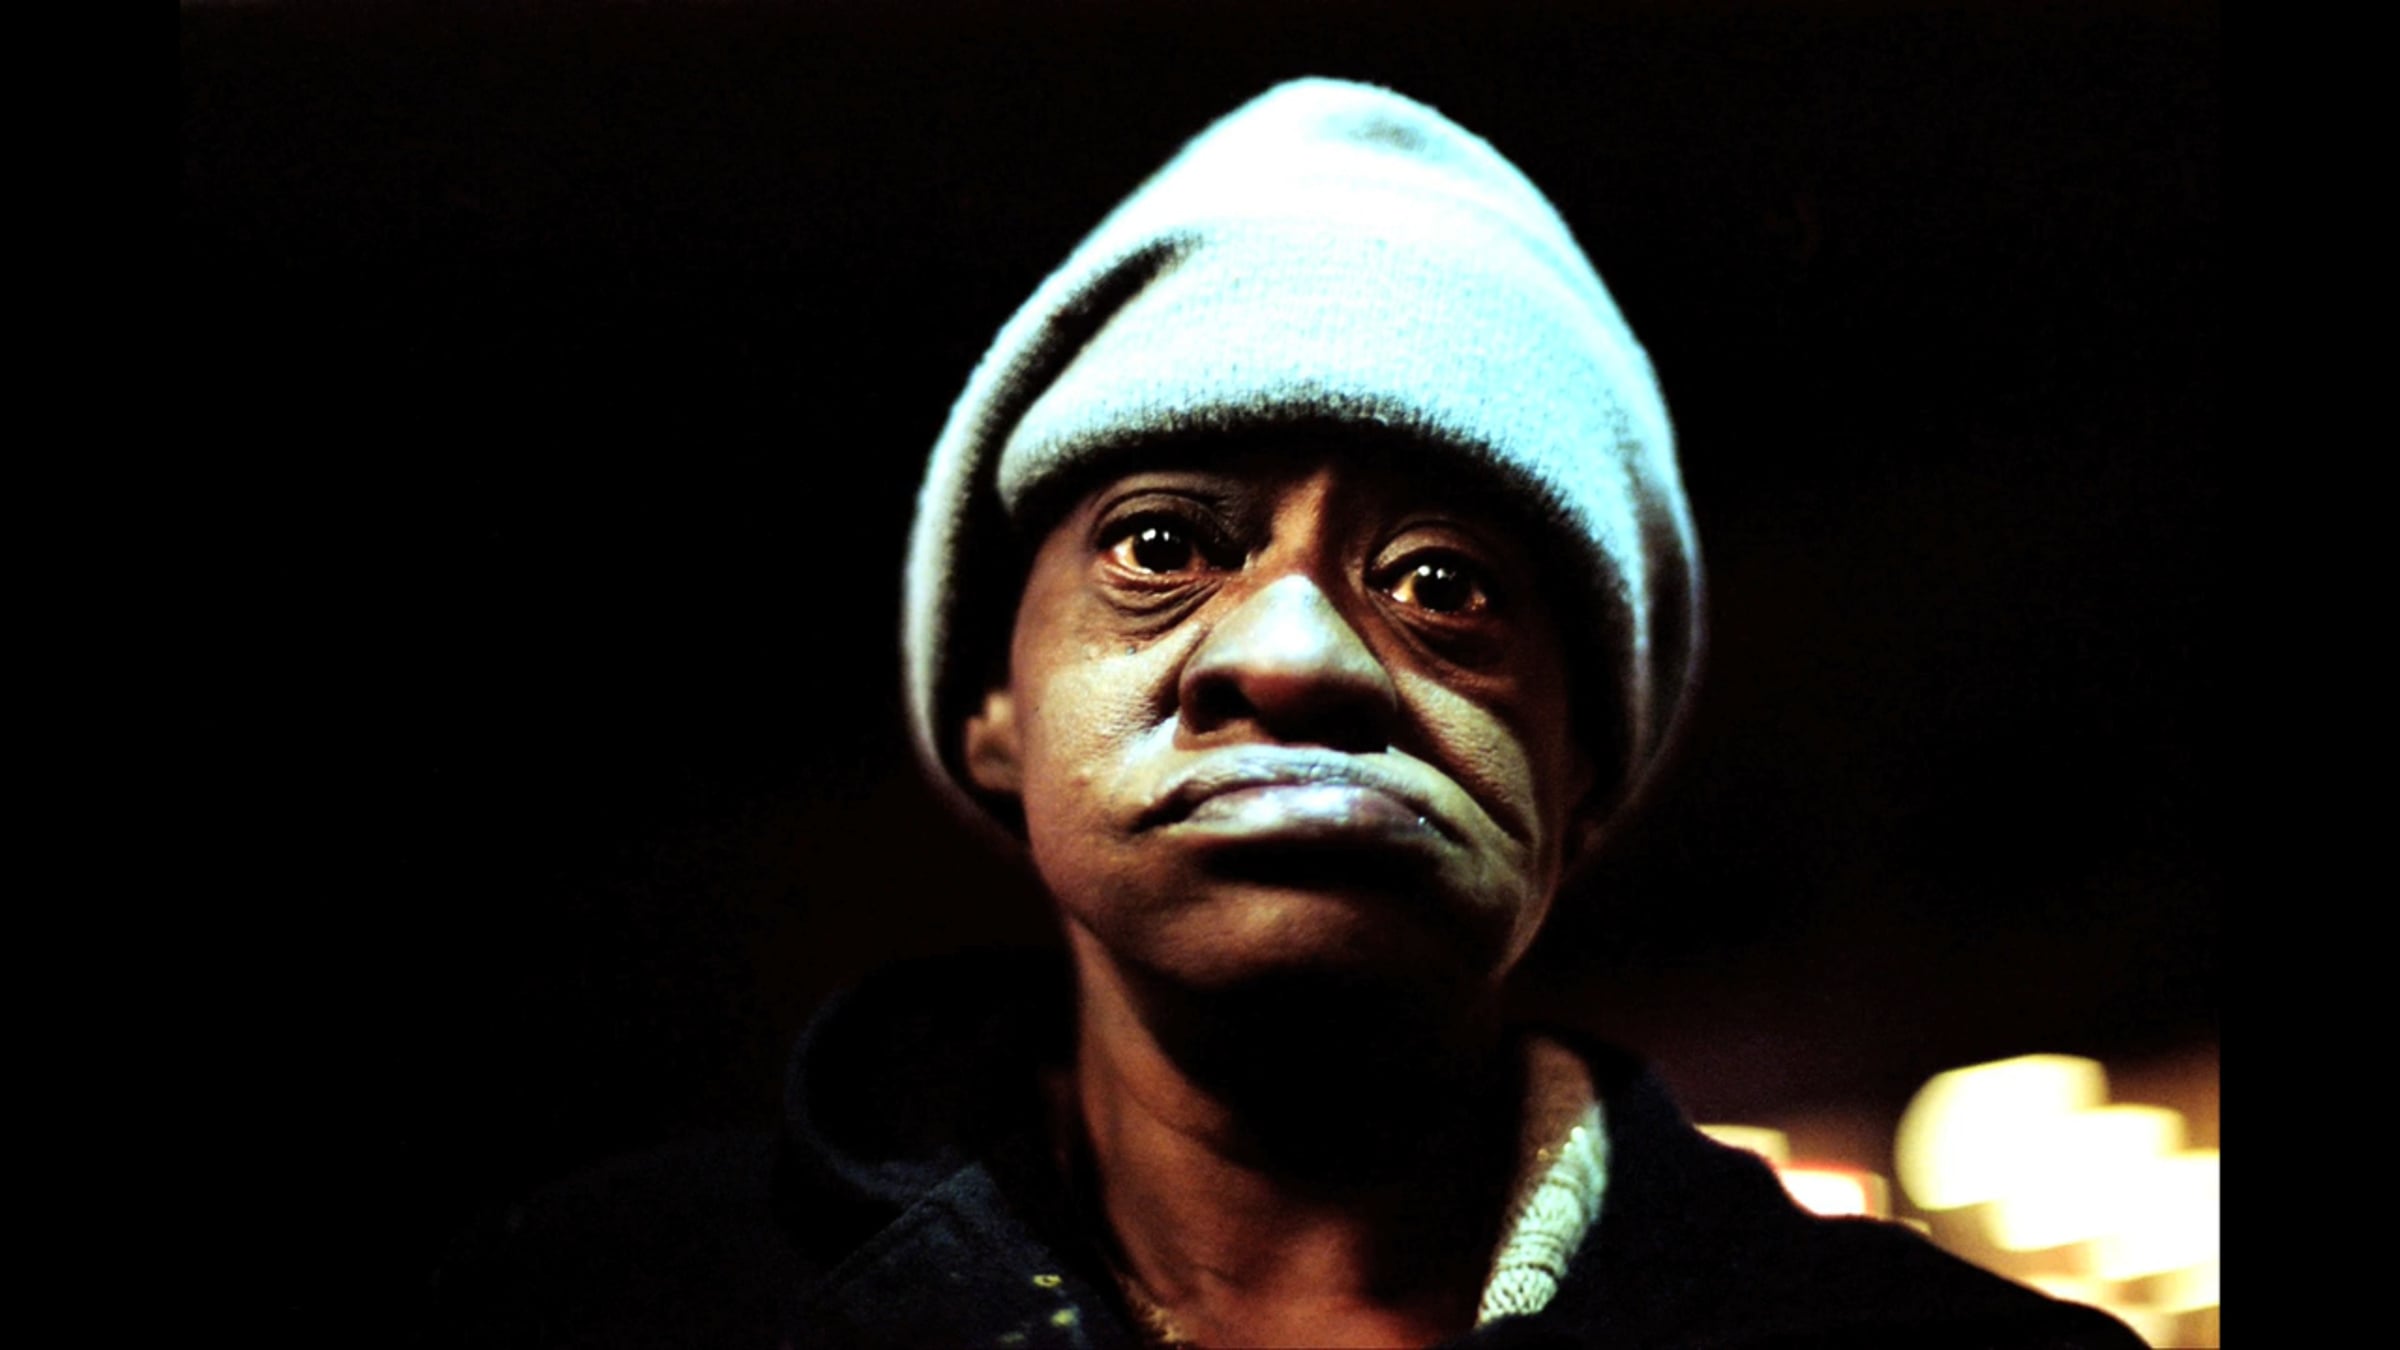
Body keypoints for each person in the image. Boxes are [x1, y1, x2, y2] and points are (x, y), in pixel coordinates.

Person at [437, 78, 2149, 1349]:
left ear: (1585, 773)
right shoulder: (594, 1309)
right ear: (993, 709)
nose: (1300, 655)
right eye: (1164, 547)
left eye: (1443, 582)